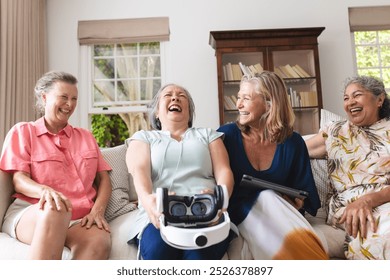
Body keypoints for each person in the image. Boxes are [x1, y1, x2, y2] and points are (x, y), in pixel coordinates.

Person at [0, 71, 112, 260]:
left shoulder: (86, 137)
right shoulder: (24, 131)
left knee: (99, 239)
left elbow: (104, 181)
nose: (70, 104)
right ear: (44, 98)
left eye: (74, 99)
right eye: (63, 97)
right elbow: (19, 180)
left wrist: (97, 211)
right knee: (56, 208)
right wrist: (44, 191)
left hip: (77, 219)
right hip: (33, 212)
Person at [217, 71, 328, 259]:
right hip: (239, 213)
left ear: (269, 105)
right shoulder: (225, 136)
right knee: (266, 196)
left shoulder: (293, 143)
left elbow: (305, 198)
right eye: (238, 98)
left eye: (246, 98)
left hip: (279, 214)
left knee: (270, 198)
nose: (238, 105)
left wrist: (296, 201)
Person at [126, 83, 234, 260]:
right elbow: (139, 171)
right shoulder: (144, 137)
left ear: (189, 112)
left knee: (198, 255)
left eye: (181, 96)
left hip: (206, 211)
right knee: (158, 252)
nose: (175, 97)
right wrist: (147, 200)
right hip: (160, 213)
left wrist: (220, 198)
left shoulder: (208, 135)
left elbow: (224, 170)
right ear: (156, 112)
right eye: (168, 95)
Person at [306, 75, 390, 260]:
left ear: (380, 99)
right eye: (346, 98)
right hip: (349, 208)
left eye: (357, 95)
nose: (350, 102)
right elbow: (295, 152)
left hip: (383, 199)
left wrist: (369, 200)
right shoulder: (336, 132)